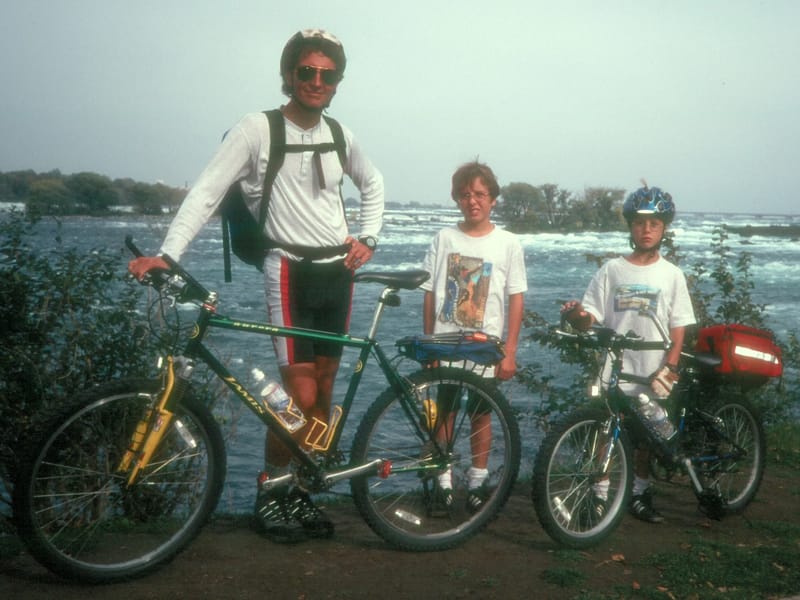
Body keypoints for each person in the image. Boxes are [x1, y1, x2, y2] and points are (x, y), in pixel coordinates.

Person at [128, 29, 384, 542]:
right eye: (306, 72)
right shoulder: (256, 129)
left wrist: (369, 238)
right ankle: (271, 494)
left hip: (339, 274)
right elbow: (206, 192)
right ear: (289, 75)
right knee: (299, 395)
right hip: (287, 271)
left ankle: (299, 496)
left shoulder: (340, 134)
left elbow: (373, 183)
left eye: (327, 74)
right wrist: (169, 255)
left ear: (337, 81)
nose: (316, 81)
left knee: (325, 394)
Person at [561, 184, 696, 523]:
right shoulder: (612, 270)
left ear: (664, 227)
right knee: (605, 431)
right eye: (639, 223)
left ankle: (639, 493)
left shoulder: (672, 275)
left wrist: (673, 363)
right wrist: (576, 315)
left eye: (653, 223)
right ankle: (598, 496)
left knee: (647, 437)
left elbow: (679, 325)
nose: (646, 230)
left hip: (653, 369)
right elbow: (589, 316)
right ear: (630, 227)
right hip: (614, 367)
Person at [421, 161, 527, 513]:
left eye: (480, 194)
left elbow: (516, 298)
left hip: (486, 348)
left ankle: (479, 483)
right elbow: (430, 294)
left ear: (493, 199)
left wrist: (509, 351)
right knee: (446, 412)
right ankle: (443, 483)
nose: (473, 201)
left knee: (482, 414)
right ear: (456, 199)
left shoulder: (508, 243)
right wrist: (428, 344)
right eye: (465, 195)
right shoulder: (444, 239)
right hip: (447, 344)